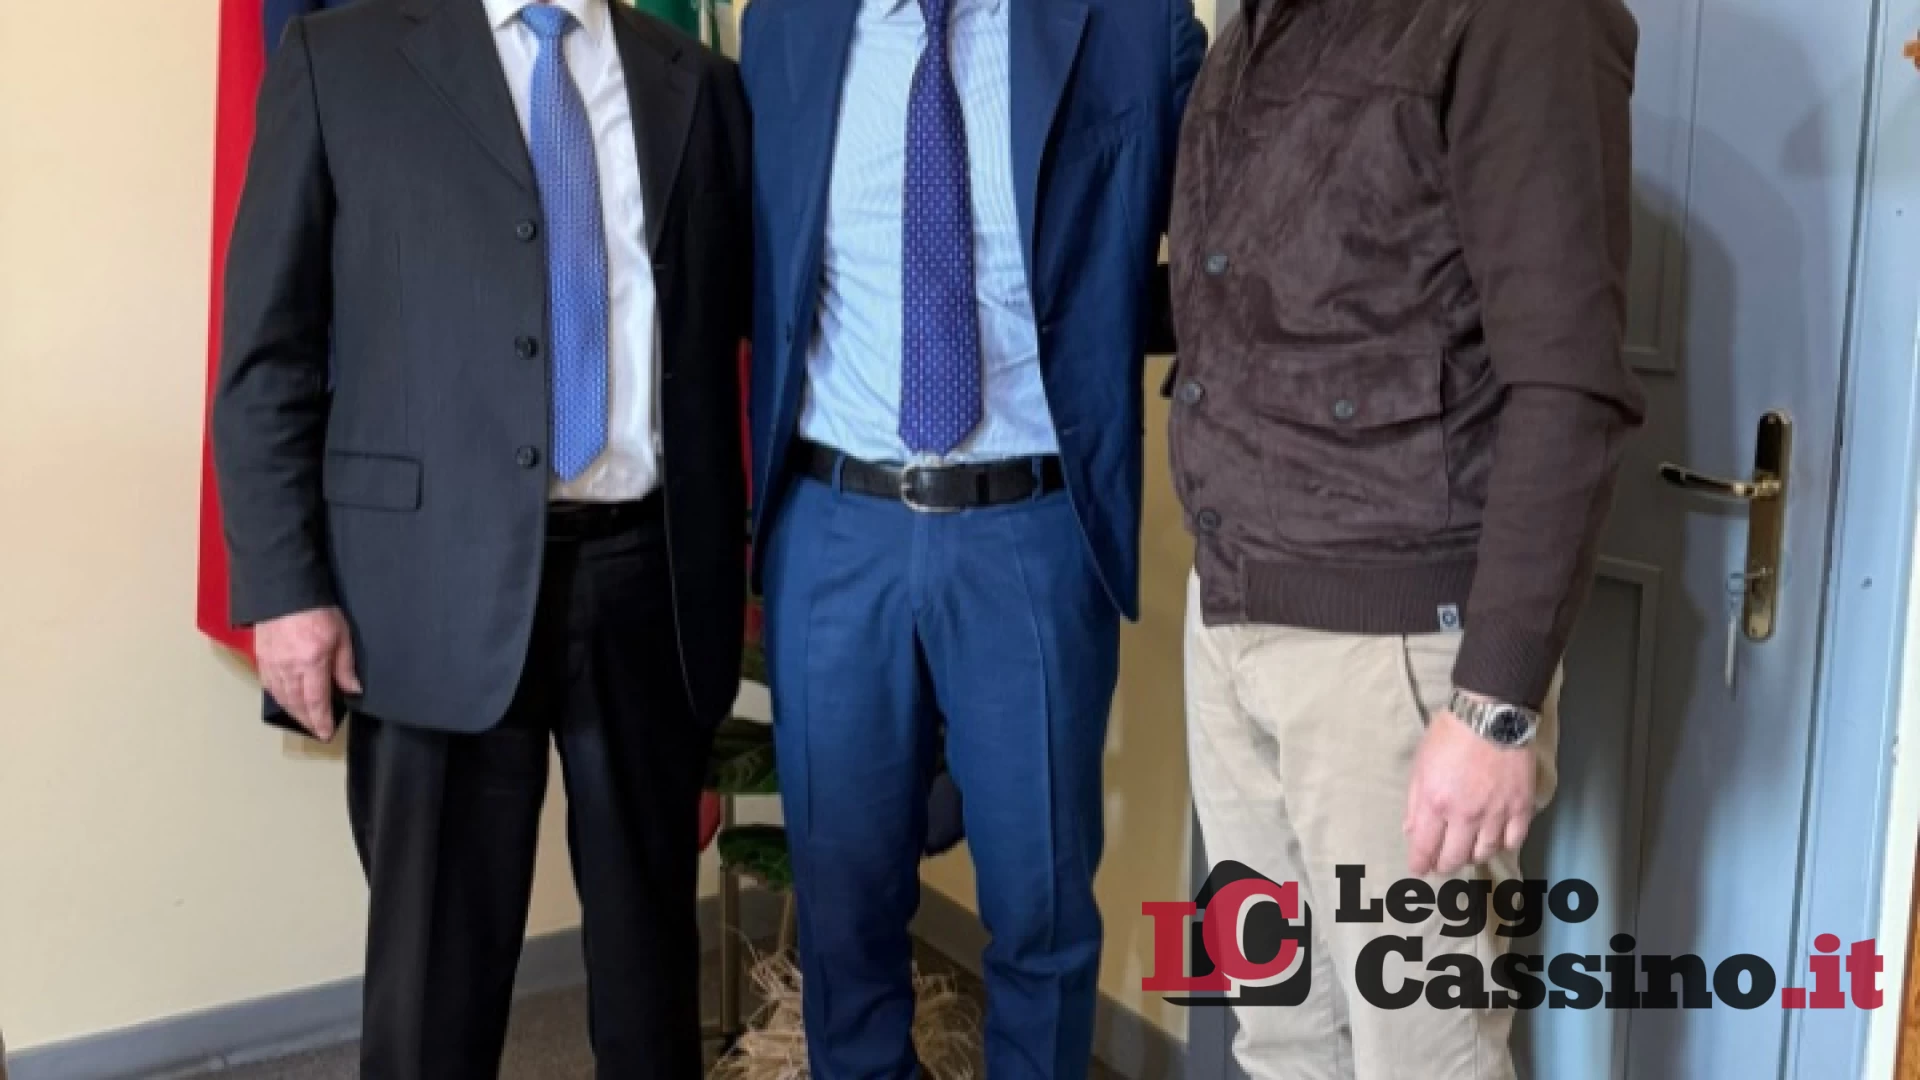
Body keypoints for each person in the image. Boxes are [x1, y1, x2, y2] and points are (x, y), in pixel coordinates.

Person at [211, 0, 749, 1075]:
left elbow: (729, 321)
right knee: (432, 996)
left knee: (652, 980)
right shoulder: (342, 57)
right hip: (429, 590)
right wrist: (285, 586)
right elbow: (270, 352)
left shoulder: (691, 76)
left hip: (650, 580)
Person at [1165, 0, 1643, 1076]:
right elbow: (1258, 290)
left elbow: (1569, 386)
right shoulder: (1259, 28)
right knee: (1282, 1035)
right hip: (1231, 612)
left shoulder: (1519, 19)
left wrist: (1496, 706)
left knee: (1422, 1055)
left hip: (1394, 654)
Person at [738, 0, 1203, 1072]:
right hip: (835, 530)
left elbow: (1244, 232)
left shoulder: (1131, 29)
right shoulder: (786, 30)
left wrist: (1107, 319)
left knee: (1042, 915)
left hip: (1030, 536)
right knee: (844, 908)